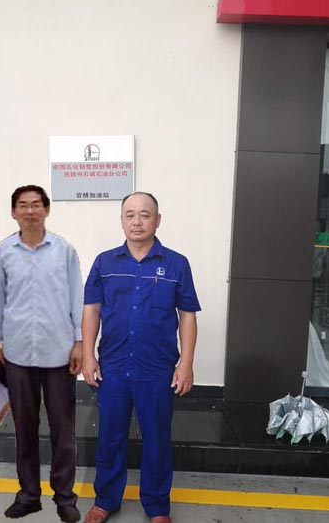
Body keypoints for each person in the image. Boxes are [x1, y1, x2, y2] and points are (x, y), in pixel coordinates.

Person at [81, 192, 201, 523]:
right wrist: (88, 356)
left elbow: (187, 316)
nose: (137, 221)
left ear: (157, 220)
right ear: (122, 220)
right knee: (110, 438)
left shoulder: (176, 264)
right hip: (113, 367)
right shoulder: (105, 263)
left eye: (145, 215)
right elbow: (91, 311)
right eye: (130, 215)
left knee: (157, 439)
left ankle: (158, 506)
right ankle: (106, 500)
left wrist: (186, 363)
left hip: (157, 369)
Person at [0, 185, 83, 523]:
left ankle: (65, 498)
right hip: (18, 355)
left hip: (59, 354)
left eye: (36, 204)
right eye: (23, 205)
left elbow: (77, 299)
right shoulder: (3, 252)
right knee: (24, 429)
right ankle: (28, 495)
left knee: (63, 431)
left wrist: (79, 342)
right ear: (14, 212)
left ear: (46, 210)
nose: (30, 211)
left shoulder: (64, 251)